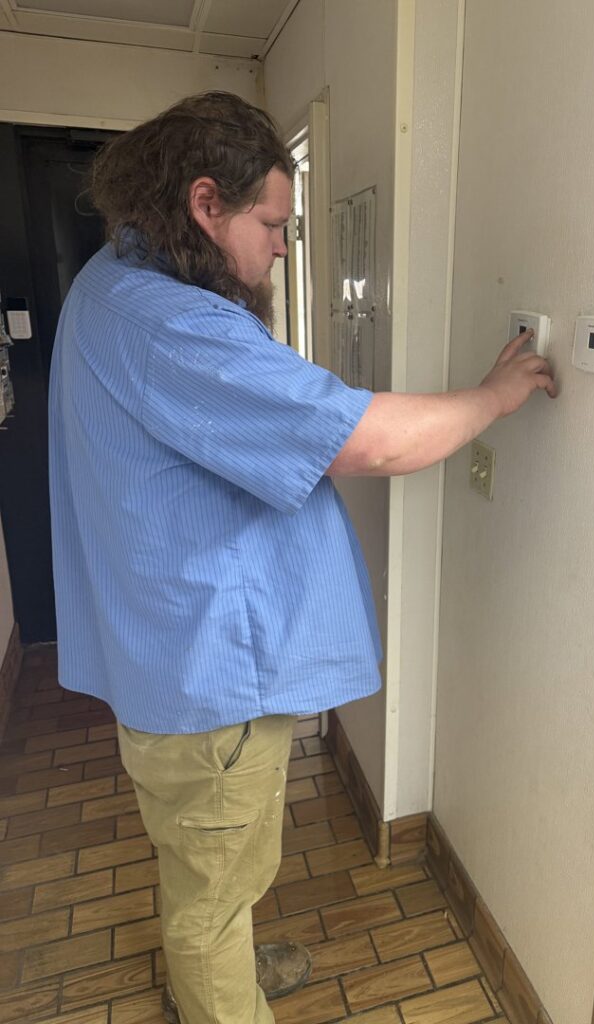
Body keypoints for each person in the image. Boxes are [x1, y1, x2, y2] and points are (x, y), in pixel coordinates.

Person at [48, 92, 556, 1024]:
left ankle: (220, 959)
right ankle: (216, 983)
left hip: (170, 657)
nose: (283, 246)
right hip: (207, 680)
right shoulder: (173, 326)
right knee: (213, 882)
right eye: (274, 223)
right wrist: (493, 395)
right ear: (206, 204)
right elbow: (370, 440)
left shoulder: (107, 285)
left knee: (210, 861)